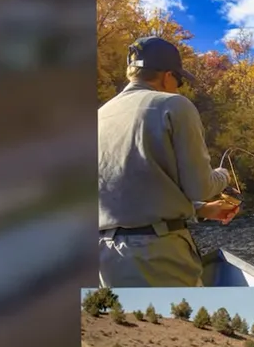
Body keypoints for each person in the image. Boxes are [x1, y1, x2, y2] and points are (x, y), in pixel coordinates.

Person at [98, 36, 241, 287]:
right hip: (158, 255)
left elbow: (125, 191)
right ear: (167, 76)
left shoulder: (100, 115)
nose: (179, 87)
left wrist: (202, 210)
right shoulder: (174, 105)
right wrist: (224, 175)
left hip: (104, 259)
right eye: (179, 80)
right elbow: (201, 187)